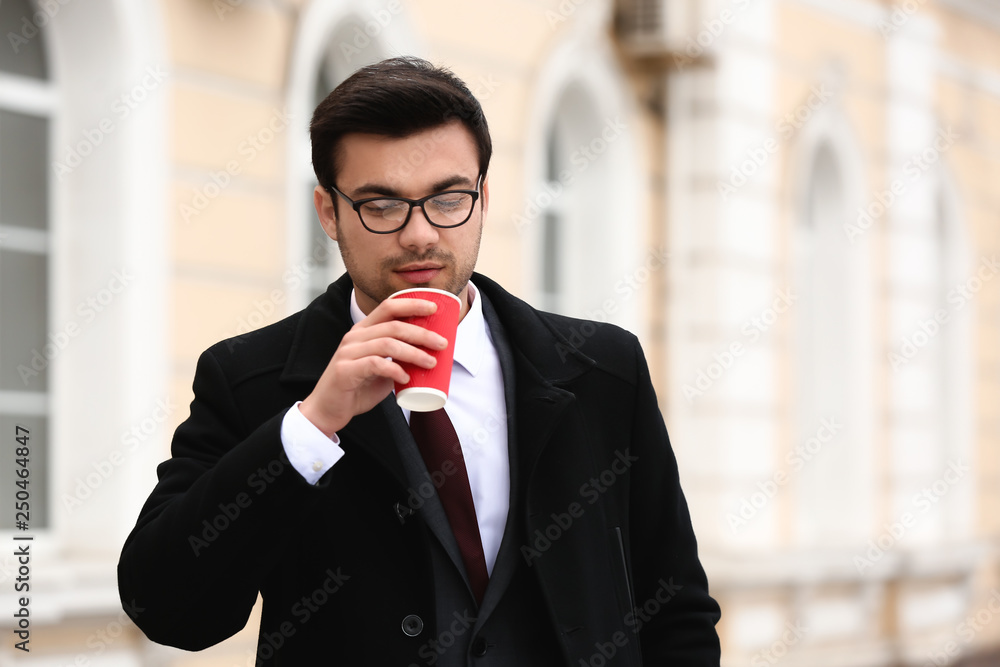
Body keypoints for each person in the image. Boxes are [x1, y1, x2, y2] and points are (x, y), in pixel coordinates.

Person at [118, 56, 721, 666]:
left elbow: (675, 612)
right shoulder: (250, 379)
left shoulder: (602, 369)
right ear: (329, 212)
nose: (420, 235)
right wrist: (311, 424)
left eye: (448, 198)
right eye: (381, 205)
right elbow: (168, 609)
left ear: (483, 198)